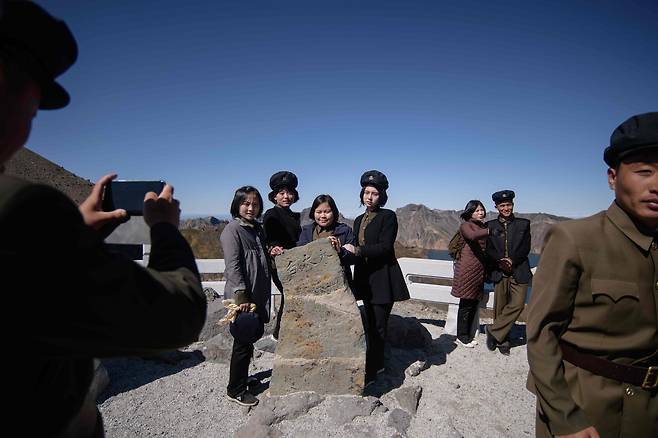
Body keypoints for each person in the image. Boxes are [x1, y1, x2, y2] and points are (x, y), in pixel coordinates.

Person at [1, 3, 207, 437]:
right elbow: (177, 316)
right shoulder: (22, 210)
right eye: (34, 107)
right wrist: (166, 228)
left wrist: (72, 236)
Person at [526, 112, 658, 438]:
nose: (656, 185)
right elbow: (541, 332)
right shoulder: (575, 239)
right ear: (613, 177)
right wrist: (565, 416)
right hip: (589, 409)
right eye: (644, 172)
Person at [351, 170, 410, 385]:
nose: (369, 197)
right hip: (366, 279)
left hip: (383, 280)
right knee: (369, 323)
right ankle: (374, 361)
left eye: (374, 193)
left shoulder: (388, 217)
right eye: (366, 192)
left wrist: (357, 251)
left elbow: (385, 248)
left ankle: (374, 368)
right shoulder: (358, 219)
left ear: (382, 195)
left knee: (378, 326)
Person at [220, 186, 271, 407]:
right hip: (242, 297)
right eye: (246, 203)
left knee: (249, 338)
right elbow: (233, 266)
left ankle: (243, 378)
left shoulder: (256, 229)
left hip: (256, 293)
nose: (251, 208)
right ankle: (236, 389)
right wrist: (242, 298)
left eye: (255, 204)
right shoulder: (232, 230)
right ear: (237, 204)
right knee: (242, 340)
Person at [484, 189, 532, 355]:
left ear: (513, 204)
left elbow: (525, 248)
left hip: (519, 269)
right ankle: (502, 339)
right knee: (500, 306)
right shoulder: (489, 226)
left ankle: (493, 331)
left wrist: (512, 260)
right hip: (499, 270)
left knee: (517, 305)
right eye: (502, 205)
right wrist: (500, 261)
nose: (506, 208)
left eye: (509, 204)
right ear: (496, 206)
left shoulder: (523, 224)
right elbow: (488, 250)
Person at [262, 170, 301, 339]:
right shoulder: (271, 214)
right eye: (282, 193)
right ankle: (279, 334)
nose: (286, 196)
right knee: (289, 295)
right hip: (280, 262)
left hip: (296, 262)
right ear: (274, 196)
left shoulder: (295, 216)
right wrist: (274, 247)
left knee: (292, 296)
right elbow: (270, 236)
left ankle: (285, 332)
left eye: (290, 193)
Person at [450, 200, 489, 348]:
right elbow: (472, 236)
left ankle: (468, 333)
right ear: (470, 212)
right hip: (467, 271)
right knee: (466, 303)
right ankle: (462, 336)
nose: (480, 213)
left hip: (477, 270)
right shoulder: (466, 225)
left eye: (482, 210)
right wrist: (490, 231)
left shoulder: (481, 226)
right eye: (477, 210)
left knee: (473, 303)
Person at [297, 194, 356, 289]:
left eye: (327, 212)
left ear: (334, 212)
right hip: (312, 283)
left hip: (340, 284)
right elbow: (300, 255)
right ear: (313, 213)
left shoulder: (345, 231)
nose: (323, 216)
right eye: (319, 212)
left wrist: (340, 251)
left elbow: (353, 258)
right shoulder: (306, 231)